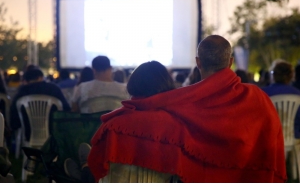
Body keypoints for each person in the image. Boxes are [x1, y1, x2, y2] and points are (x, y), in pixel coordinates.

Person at [88, 35, 286, 183]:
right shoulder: (258, 98)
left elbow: (153, 103)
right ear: (230, 63)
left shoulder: (184, 100)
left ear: (198, 62)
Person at [65, 61, 176, 182]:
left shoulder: (114, 125)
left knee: (91, 167)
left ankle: (84, 169)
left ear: (133, 85)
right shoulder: (179, 126)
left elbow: (99, 165)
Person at [9, 68, 71, 142]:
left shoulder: (22, 92)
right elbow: (66, 109)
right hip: (53, 133)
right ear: (41, 77)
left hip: (28, 133)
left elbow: (13, 117)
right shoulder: (54, 89)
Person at [261, 60, 300, 138]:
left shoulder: (262, 93)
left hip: (269, 137)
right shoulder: (297, 94)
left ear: (273, 75)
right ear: (291, 76)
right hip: (293, 136)